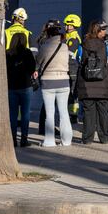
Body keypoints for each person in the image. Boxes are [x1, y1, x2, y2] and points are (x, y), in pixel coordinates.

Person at [77, 20, 108, 144]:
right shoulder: (105, 43)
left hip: (86, 84)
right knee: (103, 112)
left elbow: (79, 60)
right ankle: (104, 138)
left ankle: (87, 139)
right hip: (103, 83)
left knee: (89, 113)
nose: (105, 32)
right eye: (103, 29)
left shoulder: (84, 42)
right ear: (97, 30)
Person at [36, 19, 73, 147]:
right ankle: (67, 141)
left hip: (48, 83)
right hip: (64, 81)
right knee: (64, 113)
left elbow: (38, 62)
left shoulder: (45, 46)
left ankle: (49, 141)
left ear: (48, 33)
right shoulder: (65, 46)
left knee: (50, 113)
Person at [5, 7, 38, 147]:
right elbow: (32, 62)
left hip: (11, 81)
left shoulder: (6, 32)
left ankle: (13, 140)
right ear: (22, 19)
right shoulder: (27, 33)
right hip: (25, 83)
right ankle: (24, 139)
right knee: (25, 113)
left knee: (12, 113)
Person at [64, 14, 83, 124]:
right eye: (66, 25)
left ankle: (73, 116)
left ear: (73, 25)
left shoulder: (73, 38)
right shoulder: (68, 37)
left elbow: (68, 54)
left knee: (72, 93)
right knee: (71, 93)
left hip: (72, 68)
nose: (66, 27)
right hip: (70, 68)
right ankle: (73, 114)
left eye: (68, 25)